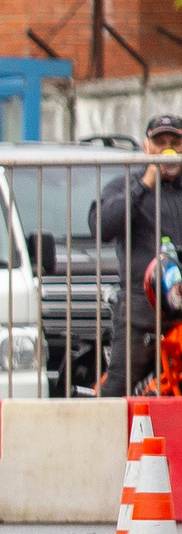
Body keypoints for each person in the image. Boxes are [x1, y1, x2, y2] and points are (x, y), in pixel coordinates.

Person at [97, 114, 182, 394]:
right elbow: (103, 226)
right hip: (140, 312)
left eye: (175, 143)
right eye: (160, 143)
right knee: (117, 388)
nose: (167, 149)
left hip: (180, 311)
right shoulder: (126, 185)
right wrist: (146, 182)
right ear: (146, 147)